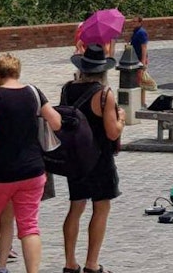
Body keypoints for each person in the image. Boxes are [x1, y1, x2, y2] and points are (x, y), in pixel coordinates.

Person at [0, 53, 62, 273]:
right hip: (33, 171)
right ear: (17, 72)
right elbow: (56, 123)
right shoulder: (33, 92)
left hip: (0, 172)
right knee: (29, 226)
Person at [62, 45, 126, 273]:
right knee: (101, 208)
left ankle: (69, 262)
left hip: (76, 158)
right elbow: (112, 132)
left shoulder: (67, 89)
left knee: (75, 207)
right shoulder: (103, 94)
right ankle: (92, 263)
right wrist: (121, 119)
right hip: (99, 159)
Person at [130, 16, 156, 94]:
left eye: (135, 22)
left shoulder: (141, 32)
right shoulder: (135, 31)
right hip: (135, 59)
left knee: (141, 81)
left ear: (140, 23)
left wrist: (143, 62)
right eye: (132, 21)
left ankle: (142, 101)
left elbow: (144, 47)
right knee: (138, 80)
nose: (133, 23)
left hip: (140, 59)